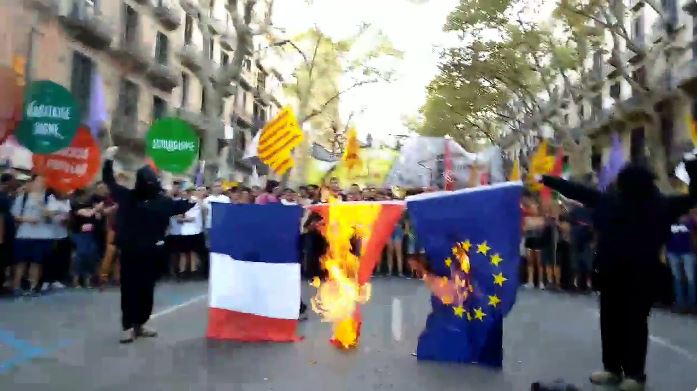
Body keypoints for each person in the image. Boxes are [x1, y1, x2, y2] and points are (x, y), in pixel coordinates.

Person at [539, 156, 696, 391]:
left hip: (627, 272)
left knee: (620, 321)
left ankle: (627, 373)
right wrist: (693, 170)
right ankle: (622, 372)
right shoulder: (657, 204)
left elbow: (577, 191)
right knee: (628, 322)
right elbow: (693, 198)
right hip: (629, 272)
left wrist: (546, 179)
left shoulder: (619, 202)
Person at [102, 147, 195, 343]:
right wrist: (108, 160)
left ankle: (140, 324)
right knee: (129, 289)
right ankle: (128, 326)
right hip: (131, 251)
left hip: (152, 253)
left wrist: (195, 198)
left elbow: (184, 205)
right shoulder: (128, 198)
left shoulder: (162, 201)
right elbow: (110, 181)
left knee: (146, 290)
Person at [10, 176, 55, 295]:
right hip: (24, 235)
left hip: (42, 235)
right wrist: (28, 219)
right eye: (39, 181)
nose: (41, 183)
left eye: (44, 181)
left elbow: (51, 215)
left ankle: (33, 287)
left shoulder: (49, 198)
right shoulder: (22, 198)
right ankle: (16, 286)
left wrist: (41, 204)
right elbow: (15, 216)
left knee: (37, 262)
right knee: (21, 261)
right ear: (33, 182)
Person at [666, 209, 696, 313]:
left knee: (691, 279)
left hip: (688, 252)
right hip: (672, 252)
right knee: (677, 279)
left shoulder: (691, 219)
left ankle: (692, 305)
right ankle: (680, 304)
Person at [69, 189, 101, 288]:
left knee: (90, 255)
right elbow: (86, 214)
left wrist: (97, 212)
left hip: (90, 234)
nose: (88, 196)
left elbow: (97, 217)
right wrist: (96, 209)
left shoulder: (91, 204)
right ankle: (76, 279)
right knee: (80, 254)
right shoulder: (75, 205)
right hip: (78, 233)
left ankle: (88, 279)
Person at [0, 173, 16, 294]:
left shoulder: (8, 195)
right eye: (13, 180)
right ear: (7, 181)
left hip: (8, 232)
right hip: (3, 232)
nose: (15, 182)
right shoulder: (2, 197)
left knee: (5, 260)